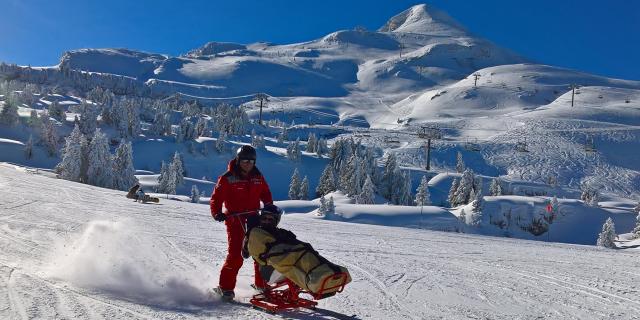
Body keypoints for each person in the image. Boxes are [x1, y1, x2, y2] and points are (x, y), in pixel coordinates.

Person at [210, 145, 273, 301]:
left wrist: (269, 206)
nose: (248, 163)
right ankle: (226, 288)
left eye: (251, 161)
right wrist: (217, 212)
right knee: (236, 253)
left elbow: (265, 192)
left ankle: (261, 284)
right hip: (234, 218)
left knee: (260, 251)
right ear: (238, 160)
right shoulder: (228, 177)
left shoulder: (257, 176)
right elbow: (216, 198)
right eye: (245, 160)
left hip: (253, 217)